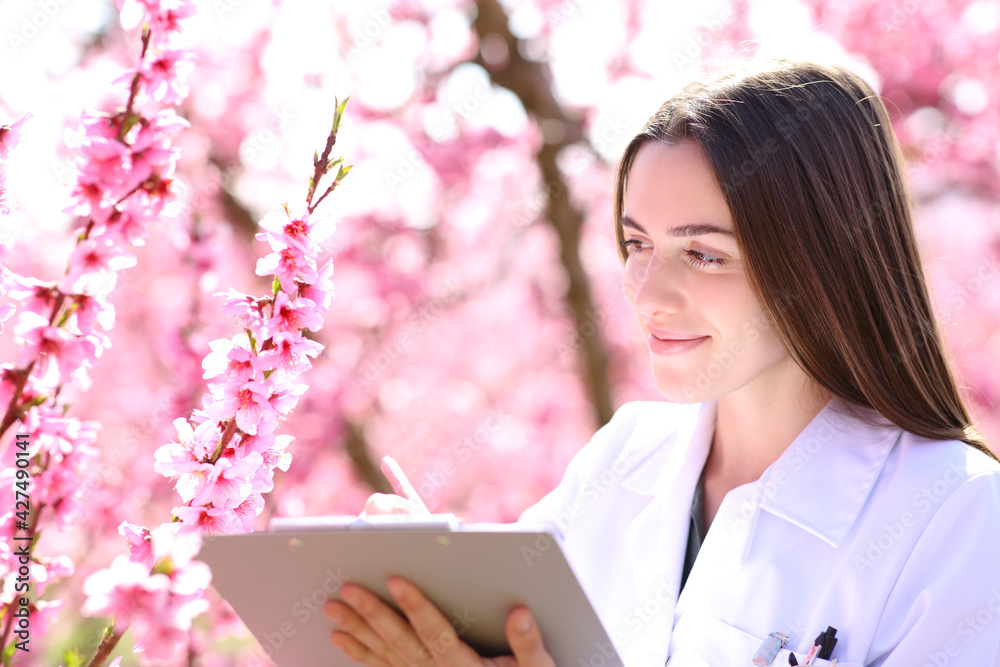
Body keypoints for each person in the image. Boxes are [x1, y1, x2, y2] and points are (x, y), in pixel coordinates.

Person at [323, 60, 1000, 667]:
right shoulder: (621, 461)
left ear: (820, 261)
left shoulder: (959, 516)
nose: (646, 295)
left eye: (703, 253)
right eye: (636, 243)